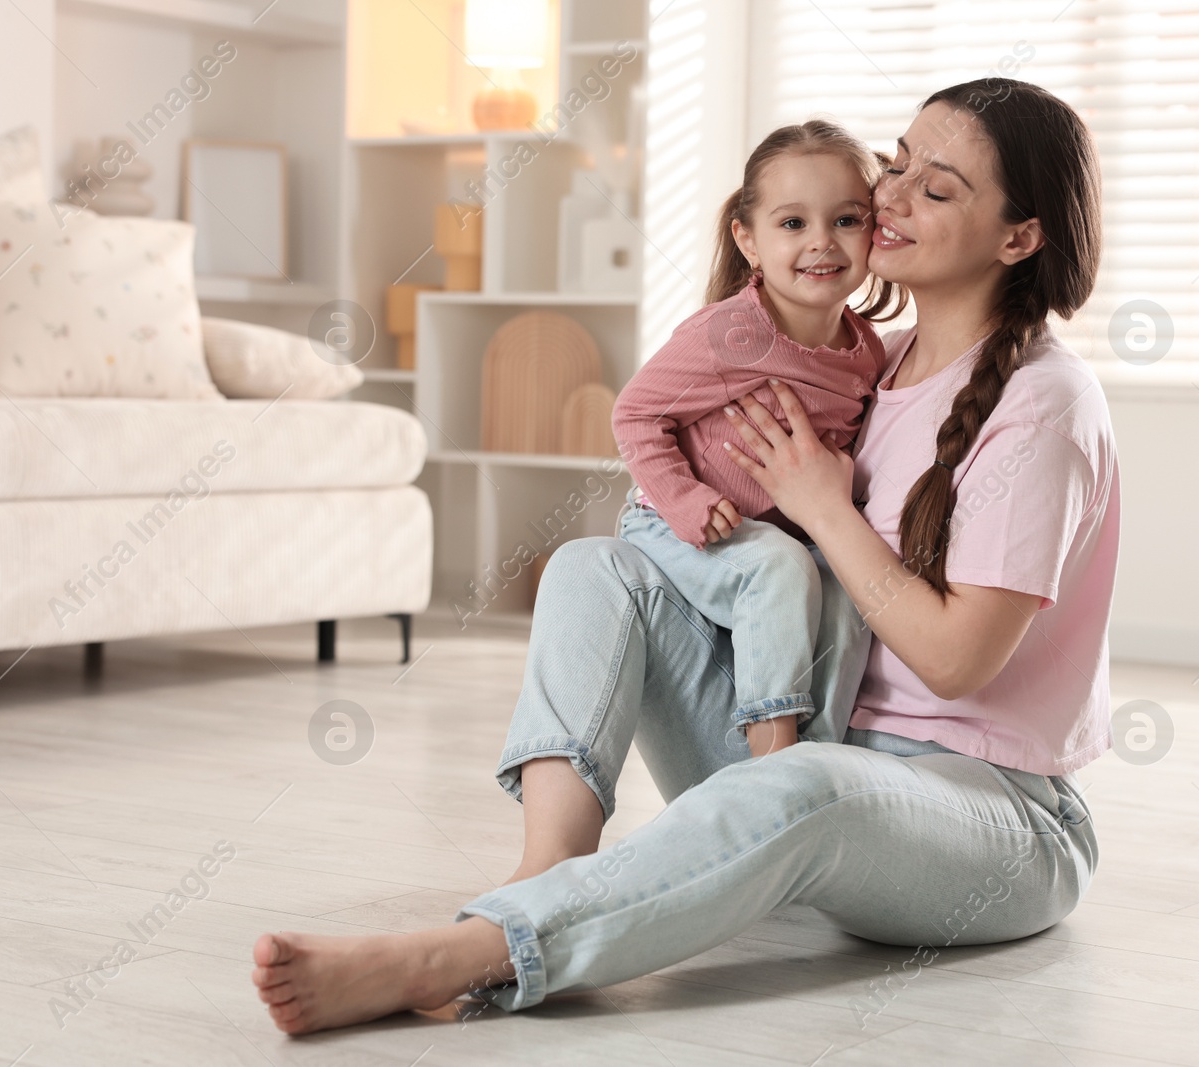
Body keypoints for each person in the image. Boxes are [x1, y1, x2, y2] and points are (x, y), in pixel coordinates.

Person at [249, 78, 1118, 1036]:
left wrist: (824, 510)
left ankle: (464, 954)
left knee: (805, 784)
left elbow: (956, 660)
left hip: (993, 819)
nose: (893, 199)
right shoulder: (869, 358)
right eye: (898, 163)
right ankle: (547, 875)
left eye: (938, 189)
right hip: (818, 746)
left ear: (1020, 237)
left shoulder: (1044, 404)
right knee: (591, 567)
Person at [612, 118, 903, 759]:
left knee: (857, 588)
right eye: (793, 223)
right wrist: (684, 501)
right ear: (748, 239)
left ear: (876, 229)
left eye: (847, 220)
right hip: (672, 525)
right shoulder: (729, 334)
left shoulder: (866, 350)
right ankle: (771, 761)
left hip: (776, 540)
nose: (822, 243)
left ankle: (816, 758)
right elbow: (634, 415)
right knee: (778, 564)